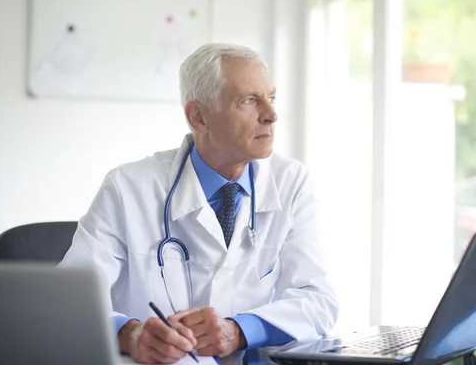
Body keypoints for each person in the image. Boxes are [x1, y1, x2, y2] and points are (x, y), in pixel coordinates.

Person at [59, 43, 338, 364]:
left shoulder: (292, 182)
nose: (271, 115)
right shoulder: (128, 187)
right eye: (249, 100)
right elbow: (68, 304)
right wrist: (129, 334)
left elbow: (318, 301)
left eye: (271, 98)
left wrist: (238, 330)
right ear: (198, 116)